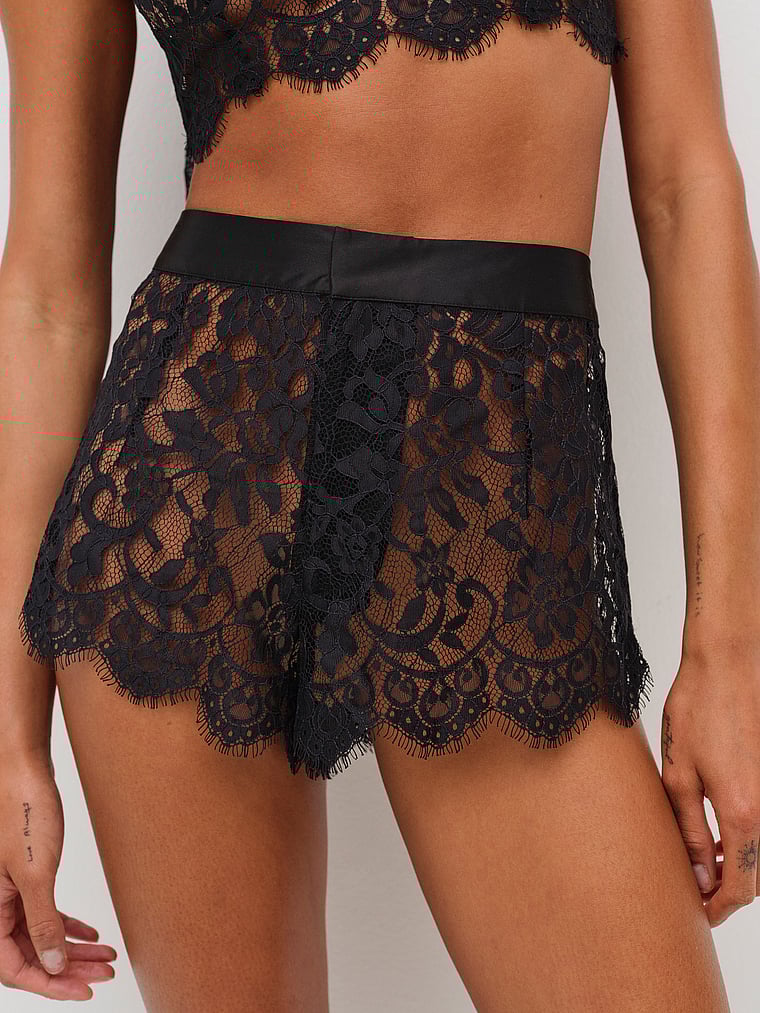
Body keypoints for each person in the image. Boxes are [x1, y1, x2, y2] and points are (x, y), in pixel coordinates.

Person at [0, 0, 756, 1007]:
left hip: (486, 509)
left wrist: (730, 649)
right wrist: (7, 727)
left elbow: (685, 189)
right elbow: (46, 293)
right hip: (188, 492)